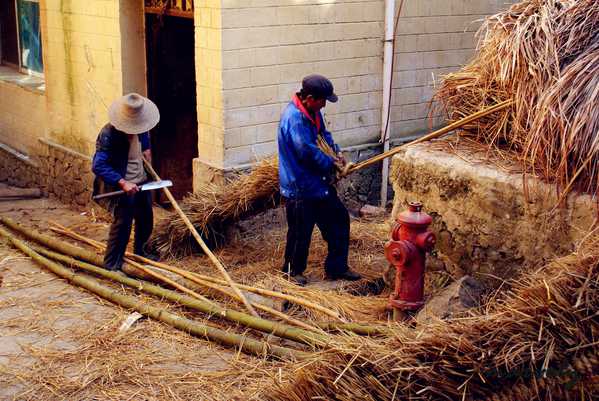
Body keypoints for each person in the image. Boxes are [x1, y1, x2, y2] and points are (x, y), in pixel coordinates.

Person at [278, 74, 362, 286]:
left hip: (318, 184)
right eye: (323, 100)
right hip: (300, 187)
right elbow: (307, 152)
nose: (325, 105)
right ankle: (292, 272)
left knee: (339, 220)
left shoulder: (313, 112)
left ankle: (337, 267)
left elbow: (323, 135)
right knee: (300, 233)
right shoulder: (294, 118)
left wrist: (337, 152)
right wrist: (332, 164)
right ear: (310, 98)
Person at [92, 93, 160, 271]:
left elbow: (145, 147)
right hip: (123, 184)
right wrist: (122, 182)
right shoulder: (109, 134)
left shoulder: (142, 126)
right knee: (123, 223)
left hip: (141, 181)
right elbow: (98, 165)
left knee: (146, 218)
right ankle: (112, 263)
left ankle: (141, 252)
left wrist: (146, 155)